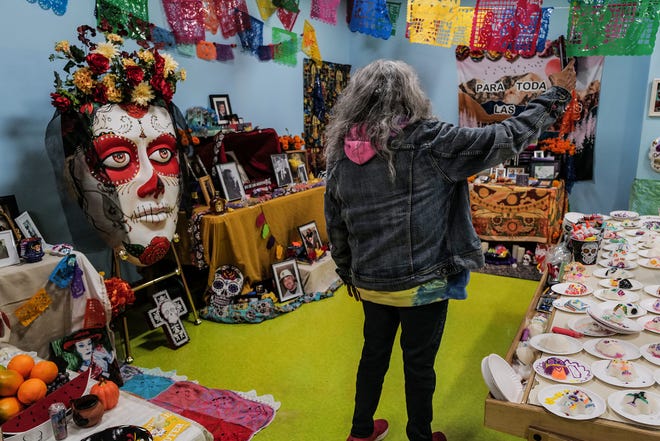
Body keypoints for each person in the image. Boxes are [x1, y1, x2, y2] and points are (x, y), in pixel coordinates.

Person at [324, 59, 576, 441]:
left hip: (371, 282)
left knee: (372, 356)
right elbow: (506, 136)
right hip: (422, 284)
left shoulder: (344, 150)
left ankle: (360, 432)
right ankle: (420, 437)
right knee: (419, 364)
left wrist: (348, 274)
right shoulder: (431, 141)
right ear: (410, 96)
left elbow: (335, 223)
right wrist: (555, 94)